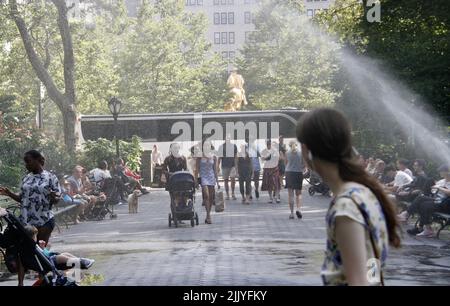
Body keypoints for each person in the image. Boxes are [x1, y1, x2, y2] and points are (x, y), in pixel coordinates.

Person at [296, 108, 400, 286]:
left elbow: (358, 281)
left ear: (306, 151)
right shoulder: (364, 193)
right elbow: (371, 264)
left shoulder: (346, 208)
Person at [0, 150, 60, 245]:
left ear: (38, 160)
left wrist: (54, 197)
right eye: (25, 162)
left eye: (28, 161)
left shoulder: (51, 177)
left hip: (44, 220)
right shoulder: (26, 178)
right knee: (28, 252)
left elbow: (57, 200)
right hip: (26, 222)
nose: (26, 165)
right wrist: (9, 193)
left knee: (40, 251)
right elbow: (22, 199)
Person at [404, 164, 450, 237]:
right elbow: (434, 189)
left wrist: (440, 188)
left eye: (441, 172)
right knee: (422, 203)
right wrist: (434, 188)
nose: (440, 173)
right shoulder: (442, 181)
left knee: (422, 200)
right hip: (437, 200)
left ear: (447, 172)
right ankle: (424, 228)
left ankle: (409, 216)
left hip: (445, 204)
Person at [194, 140, 219, 224]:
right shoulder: (199, 156)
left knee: (211, 197)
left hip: (211, 178)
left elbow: (215, 170)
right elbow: (196, 169)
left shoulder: (214, 156)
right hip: (203, 177)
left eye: (208, 145)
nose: (206, 147)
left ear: (210, 146)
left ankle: (208, 214)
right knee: (206, 195)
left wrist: (218, 181)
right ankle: (208, 216)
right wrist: (196, 180)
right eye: (205, 145)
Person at [285, 140, 305, 219]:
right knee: (298, 194)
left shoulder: (287, 153)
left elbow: (286, 164)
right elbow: (303, 165)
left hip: (289, 173)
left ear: (289, 146)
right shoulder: (301, 153)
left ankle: (292, 213)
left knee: (290, 195)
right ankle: (299, 209)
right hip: (298, 173)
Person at [218, 136, 238, 200]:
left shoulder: (234, 146)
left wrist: (236, 166)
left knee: (233, 180)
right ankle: (227, 194)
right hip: (224, 166)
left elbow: (236, 156)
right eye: (226, 138)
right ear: (224, 139)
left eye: (229, 138)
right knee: (226, 180)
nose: (228, 139)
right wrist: (217, 166)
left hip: (232, 166)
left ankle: (233, 193)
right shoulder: (221, 147)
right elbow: (219, 157)